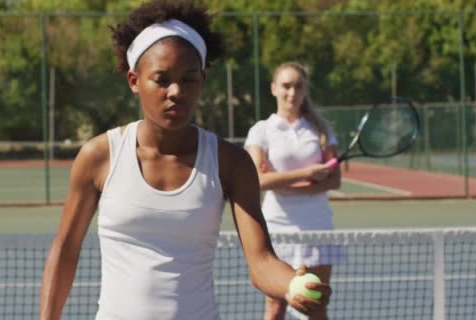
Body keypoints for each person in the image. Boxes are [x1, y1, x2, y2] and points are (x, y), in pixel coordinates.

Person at [38, 1, 332, 320]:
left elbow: (261, 262)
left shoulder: (230, 162)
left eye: (188, 79)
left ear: (202, 82)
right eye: (162, 79)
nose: (176, 91)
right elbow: (65, 251)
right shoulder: (98, 156)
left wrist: (291, 283)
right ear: (134, 81)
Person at [244, 62, 343, 320]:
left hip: (316, 225)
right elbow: (257, 180)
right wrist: (307, 175)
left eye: (298, 86)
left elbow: (334, 181)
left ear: (305, 90)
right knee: (275, 306)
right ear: (274, 88)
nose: (292, 92)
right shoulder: (262, 130)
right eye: (286, 86)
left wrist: (279, 180)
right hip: (277, 226)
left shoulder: (321, 130)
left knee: (316, 303)